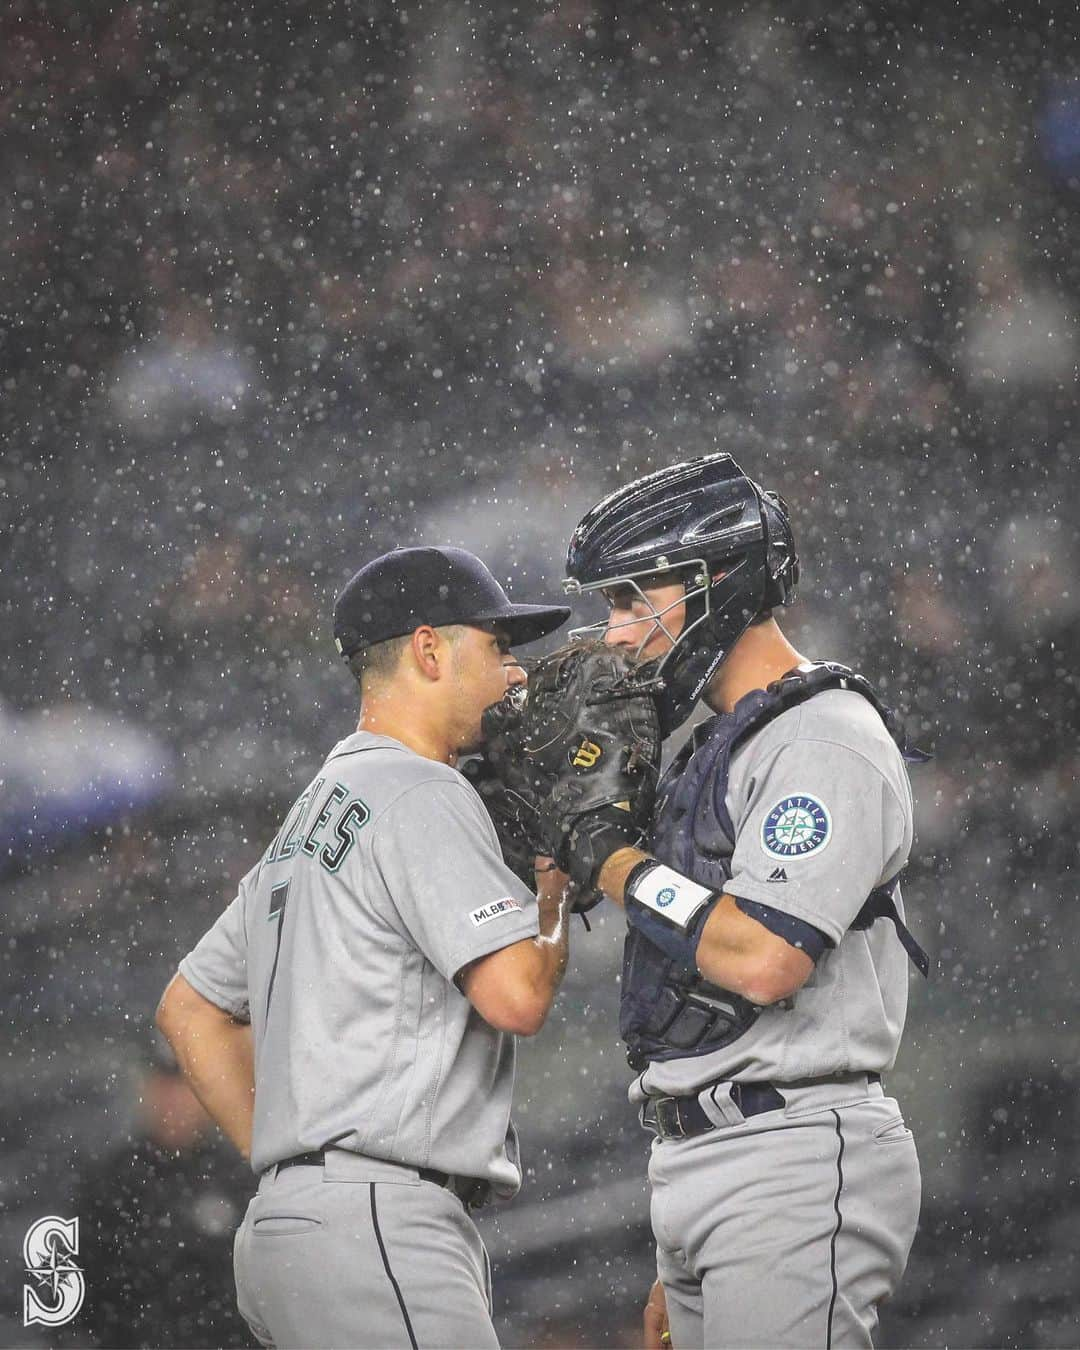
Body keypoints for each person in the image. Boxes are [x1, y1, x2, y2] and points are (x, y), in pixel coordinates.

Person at [156, 545, 573, 1350]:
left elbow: (188, 1010)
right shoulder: (421, 790)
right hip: (378, 1222)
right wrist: (554, 886)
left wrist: (293, 1163)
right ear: (427, 650)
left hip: (296, 1232)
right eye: (497, 647)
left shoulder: (313, 810)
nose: (515, 674)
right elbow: (518, 995)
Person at [558, 453, 928, 1349]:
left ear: (712, 584)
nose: (613, 633)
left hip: (790, 1149)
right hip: (711, 1155)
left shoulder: (824, 736)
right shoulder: (723, 740)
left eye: (628, 600)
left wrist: (611, 861)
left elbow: (765, 958)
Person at [76, 1038, 252, 1349]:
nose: (174, 1101)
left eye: (184, 1085)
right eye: (163, 1085)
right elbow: (74, 1295)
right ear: (145, 1091)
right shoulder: (109, 1184)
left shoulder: (240, 1182)